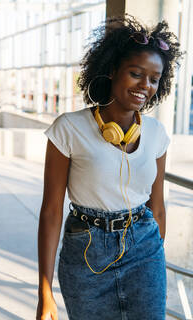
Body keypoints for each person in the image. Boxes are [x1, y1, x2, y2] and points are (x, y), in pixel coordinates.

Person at [36, 15, 182, 320]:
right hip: (86, 251)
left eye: (154, 78)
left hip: (145, 250)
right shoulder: (69, 129)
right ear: (112, 69)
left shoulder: (156, 134)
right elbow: (51, 210)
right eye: (136, 73)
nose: (145, 85)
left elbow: (157, 209)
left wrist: (154, 257)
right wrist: (44, 290)